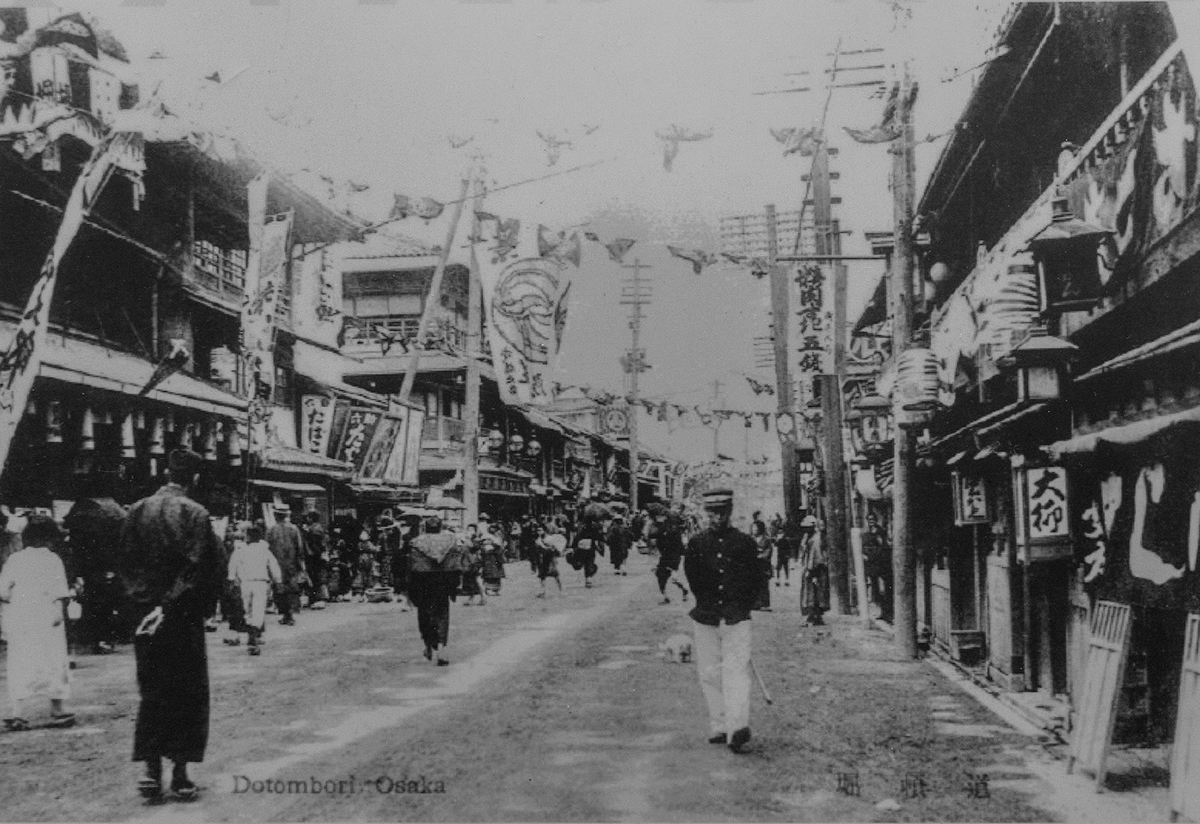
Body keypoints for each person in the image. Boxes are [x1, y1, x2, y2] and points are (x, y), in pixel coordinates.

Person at [118, 448, 224, 801]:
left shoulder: (136, 510)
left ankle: (150, 770)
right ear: (194, 478)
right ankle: (180, 774)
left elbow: (125, 563)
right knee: (188, 692)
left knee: (152, 690)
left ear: (166, 473)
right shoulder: (196, 513)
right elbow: (201, 569)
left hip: (145, 618)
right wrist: (172, 604)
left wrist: (143, 605)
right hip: (182, 617)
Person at [683, 488, 760, 754]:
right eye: (712, 512)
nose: (717, 517)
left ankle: (737, 727)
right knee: (710, 671)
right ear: (706, 513)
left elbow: (756, 579)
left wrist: (740, 606)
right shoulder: (696, 543)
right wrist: (708, 604)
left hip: (737, 618)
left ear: (729, 512)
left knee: (737, 670)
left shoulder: (745, 543)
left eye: (722, 512)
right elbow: (693, 578)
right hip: (706, 617)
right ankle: (720, 724)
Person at [0, 515, 75, 731]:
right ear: (49, 539)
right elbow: (60, 591)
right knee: (54, 660)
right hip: (48, 616)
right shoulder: (52, 559)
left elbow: (3, 591)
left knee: (21, 662)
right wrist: (59, 612)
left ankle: (18, 712)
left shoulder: (14, 559)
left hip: (21, 617)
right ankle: (57, 708)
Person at [408, 516, 459, 665]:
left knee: (424, 615)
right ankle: (441, 649)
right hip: (442, 584)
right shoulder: (449, 541)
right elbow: (454, 566)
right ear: (440, 527)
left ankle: (428, 645)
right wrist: (454, 586)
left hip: (422, 584)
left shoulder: (416, 542)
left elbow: (411, 567)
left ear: (425, 527)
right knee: (442, 615)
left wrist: (409, 590)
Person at [227, 521, 281, 655]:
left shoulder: (240, 550)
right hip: (261, 584)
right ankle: (255, 636)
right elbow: (274, 566)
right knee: (258, 610)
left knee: (247, 610)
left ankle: (251, 634)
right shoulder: (265, 550)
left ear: (248, 537)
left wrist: (232, 579)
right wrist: (278, 581)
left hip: (245, 583)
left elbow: (232, 565)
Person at [266, 507, 306, 625]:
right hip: (291, 565)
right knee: (292, 589)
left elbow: (267, 548)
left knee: (279, 589)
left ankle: (285, 614)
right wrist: (300, 563)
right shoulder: (294, 529)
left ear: (276, 516)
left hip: (276, 565)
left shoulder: (271, 530)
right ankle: (290, 614)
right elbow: (300, 548)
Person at [862, 513, 893, 623]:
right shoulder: (866, 533)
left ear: (876, 520)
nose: (871, 521)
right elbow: (863, 547)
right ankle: (881, 612)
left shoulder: (880, 532)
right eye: (869, 519)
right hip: (872, 567)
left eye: (873, 519)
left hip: (881, 566)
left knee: (884, 589)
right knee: (876, 590)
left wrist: (871, 555)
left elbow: (882, 548)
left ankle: (887, 613)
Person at [654, 512, 688, 604]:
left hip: (666, 556)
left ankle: (666, 595)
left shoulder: (665, 529)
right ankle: (681, 590)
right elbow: (681, 546)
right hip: (674, 557)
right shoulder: (678, 531)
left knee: (662, 575)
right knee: (672, 576)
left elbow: (658, 542)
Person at [301, 511, 329, 609]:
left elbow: (316, 543)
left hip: (315, 556)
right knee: (312, 577)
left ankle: (317, 598)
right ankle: (312, 598)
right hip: (312, 555)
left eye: (308, 517)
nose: (306, 519)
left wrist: (308, 532)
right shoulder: (314, 528)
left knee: (315, 577)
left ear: (312, 518)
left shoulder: (316, 528)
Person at [572, 517, 605, 588]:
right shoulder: (594, 528)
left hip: (582, 548)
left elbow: (577, 538)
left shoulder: (582, 528)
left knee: (584, 562)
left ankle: (588, 578)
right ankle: (588, 579)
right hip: (591, 547)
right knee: (589, 562)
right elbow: (599, 537)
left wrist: (574, 546)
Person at [458, 524, 486, 606]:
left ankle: (480, 597)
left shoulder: (471, 541)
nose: (469, 531)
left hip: (471, 563)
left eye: (471, 529)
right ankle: (474, 598)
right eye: (468, 529)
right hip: (472, 562)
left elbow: (469, 549)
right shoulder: (473, 540)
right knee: (474, 580)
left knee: (475, 580)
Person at [535, 524, 565, 598]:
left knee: (555, 574)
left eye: (540, 530)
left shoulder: (550, 538)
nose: (539, 532)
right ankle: (543, 591)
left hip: (551, 558)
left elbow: (556, 547)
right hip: (543, 558)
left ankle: (561, 590)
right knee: (542, 575)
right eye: (537, 530)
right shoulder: (538, 540)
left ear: (544, 530)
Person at [480, 523, 507, 596]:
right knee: (489, 574)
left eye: (494, 528)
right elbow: (482, 546)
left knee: (496, 574)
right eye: (492, 528)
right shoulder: (486, 536)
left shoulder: (498, 537)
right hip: (488, 559)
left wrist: (497, 548)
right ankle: (488, 589)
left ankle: (495, 590)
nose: (493, 529)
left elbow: (500, 547)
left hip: (496, 559)